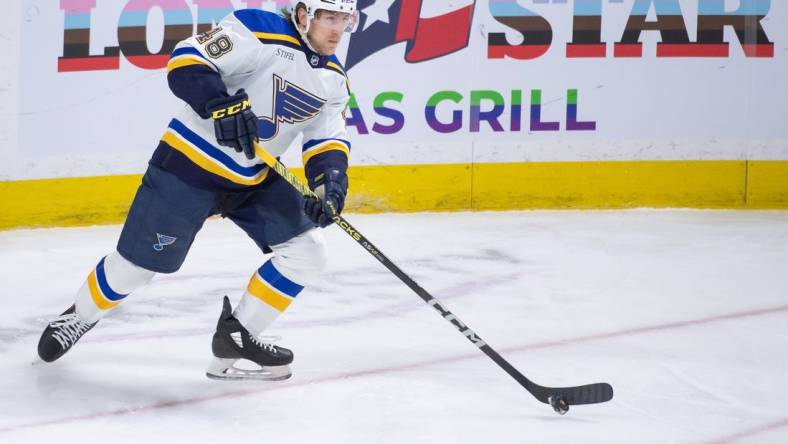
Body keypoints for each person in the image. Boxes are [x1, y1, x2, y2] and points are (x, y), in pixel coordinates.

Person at [36, 0, 359, 381]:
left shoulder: (334, 79)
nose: (337, 31)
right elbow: (187, 60)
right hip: (189, 166)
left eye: (344, 20)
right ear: (304, 15)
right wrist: (218, 105)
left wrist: (329, 186)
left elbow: (327, 141)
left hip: (254, 177)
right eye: (328, 19)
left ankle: (237, 336)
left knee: (308, 252)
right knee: (135, 270)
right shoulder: (257, 28)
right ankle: (79, 316)